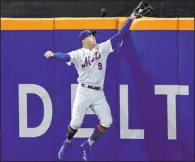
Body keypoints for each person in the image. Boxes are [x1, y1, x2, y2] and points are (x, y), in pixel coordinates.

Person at [44, 2, 153, 161]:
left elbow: (119, 36)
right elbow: (65, 56)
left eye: (93, 35)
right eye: (91, 36)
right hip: (83, 91)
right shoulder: (79, 54)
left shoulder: (102, 48)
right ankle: (67, 142)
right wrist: (53, 55)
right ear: (84, 40)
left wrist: (131, 18)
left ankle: (87, 144)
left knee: (107, 121)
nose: (94, 37)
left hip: (98, 93)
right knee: (76, 123)